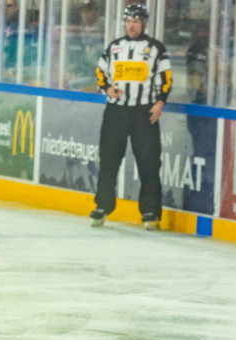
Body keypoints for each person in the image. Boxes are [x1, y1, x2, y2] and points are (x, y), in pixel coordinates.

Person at [90, 3, 171, 230]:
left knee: (149, 162)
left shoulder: (156, 48)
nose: (131, 25)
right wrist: (106, 88)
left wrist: (160, 102)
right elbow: (100, 70)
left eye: (135, 21)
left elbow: (166, 77)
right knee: (108, 160)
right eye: (128, 21)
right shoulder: (115, 47)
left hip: (144, 112)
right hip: (116, 111)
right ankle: (102, 206)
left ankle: (150, 211)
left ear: (143, 23)